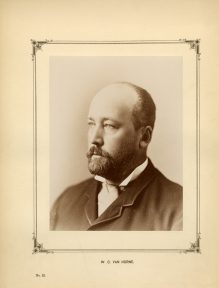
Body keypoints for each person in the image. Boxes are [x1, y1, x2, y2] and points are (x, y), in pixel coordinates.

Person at [50, 82, 183, 231]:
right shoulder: (65, 202)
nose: (95, 139)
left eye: (109, 125)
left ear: (144, 137)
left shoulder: (179, 208)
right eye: (91, 124)